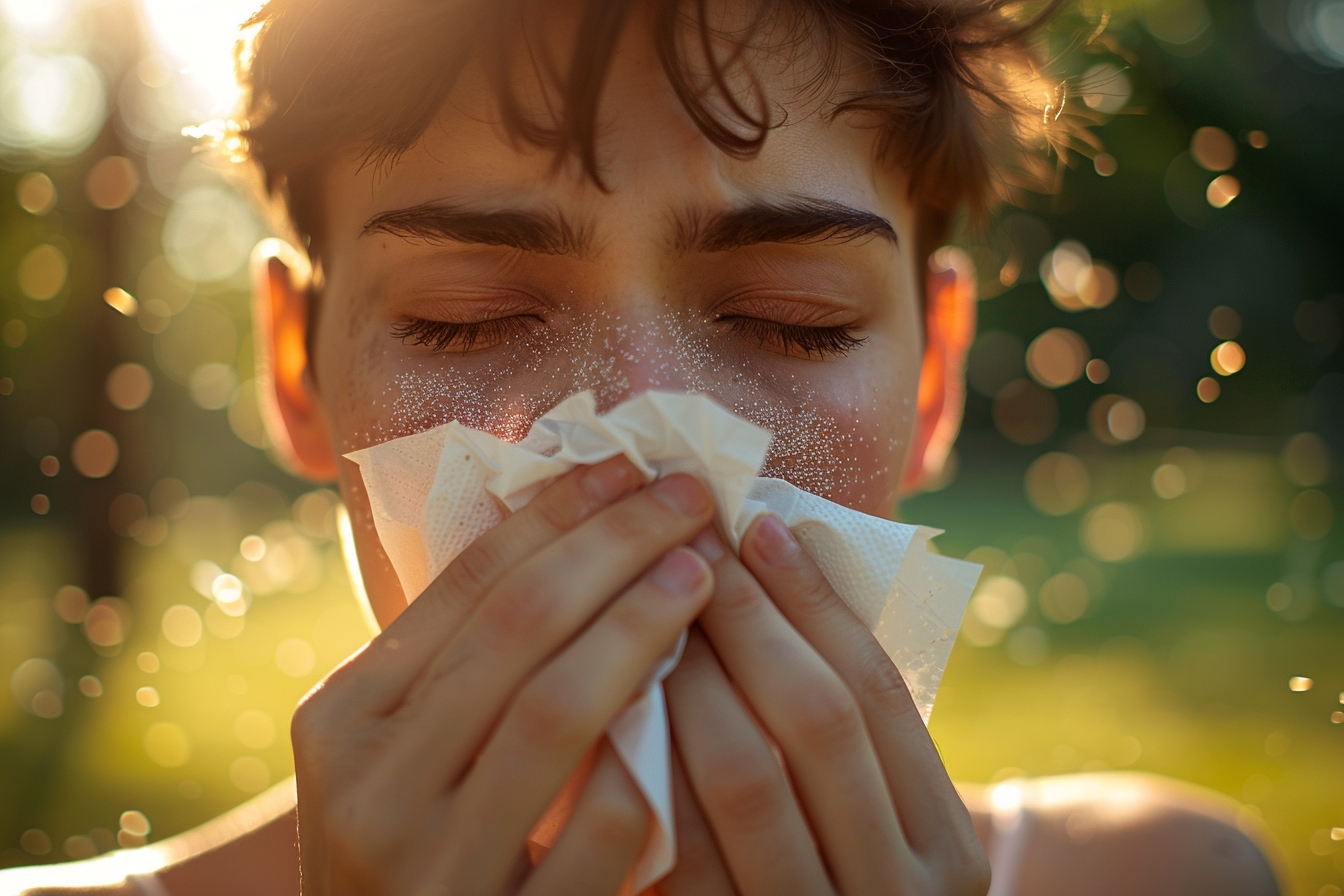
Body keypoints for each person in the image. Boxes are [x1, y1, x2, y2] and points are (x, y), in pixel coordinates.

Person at [6, 0, 1283, 893]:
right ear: (296, 368)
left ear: (935, 374)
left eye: (794, 323)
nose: (644, 448)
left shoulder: (1167, 876)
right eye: (469, 322)